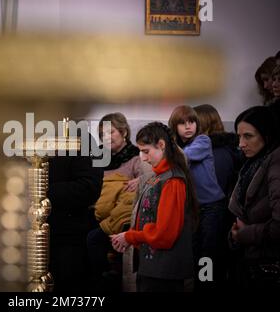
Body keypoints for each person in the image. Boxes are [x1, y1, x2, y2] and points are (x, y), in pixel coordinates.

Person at [111, 122, 197, 292]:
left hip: (164, 273)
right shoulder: (157, 177)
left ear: (161, 145)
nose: (142, 158)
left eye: (145, 151)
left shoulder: (173, 181)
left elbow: (164, 235)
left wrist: (130, 237)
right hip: (152, 267)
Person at [86, 112, 151, 291]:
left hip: (118, 215)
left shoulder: (137, 157)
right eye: (102, 134)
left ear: (123, 132)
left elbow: (150, 179)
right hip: (97, 209)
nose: (106, 137)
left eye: (111, 132)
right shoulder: (96, 157)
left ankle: (105, 282)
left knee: (94, 238)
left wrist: (141, 180)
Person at [169, 105, 225, 291]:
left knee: (208, 253)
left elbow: (183, 157)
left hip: (211, 207)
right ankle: (199, 285)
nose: (188, 126)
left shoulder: (203, 141)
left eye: (191, 122)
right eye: (182, 123)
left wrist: (165, 143)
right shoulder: (178, 147)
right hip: (192, 209)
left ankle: (206, 287)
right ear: (174, 126)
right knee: (194, 251)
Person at [229, 106, 280, 289]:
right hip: (252, 259)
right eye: (239, 136)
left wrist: (244, 235)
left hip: (269, 263)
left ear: (267, 135)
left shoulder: (277, 162)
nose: (241, 144)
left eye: (248, 136)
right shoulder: (254, 162)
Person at [47, 125, 103, 292]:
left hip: (67, 238)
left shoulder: (80, 139)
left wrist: (41, 189)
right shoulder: (30, 136)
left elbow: (89, 188)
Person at [193, 104, 243, 287]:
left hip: (214, 223)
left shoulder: (218, 154)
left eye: (192, 121)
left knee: (208, 271)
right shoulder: (214, 151)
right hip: (210, 222)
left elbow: (214, 193)